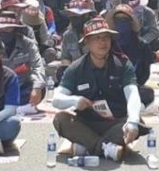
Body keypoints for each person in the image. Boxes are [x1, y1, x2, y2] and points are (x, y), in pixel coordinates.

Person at [52, 17, 144, 162]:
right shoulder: (75, 68)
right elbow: (56, 99)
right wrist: (75, 101)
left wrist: (132, 121)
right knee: (60, 119)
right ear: (87, 42)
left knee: (137, 121)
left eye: (106, 37)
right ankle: (106, 148)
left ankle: (86, 147)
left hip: (115, 122)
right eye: (97, 38)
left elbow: (132, 93)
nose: (103, 42)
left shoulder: (123, 64)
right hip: (87, 123)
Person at [0, 11, 45, 109]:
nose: (4, 31)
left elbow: (37, 66)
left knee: (40, 89)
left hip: (21, 87)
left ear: (15, 29)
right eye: (1, 28)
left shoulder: (28, 44)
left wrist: (37, 87)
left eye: (8, 28)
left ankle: (11, 107)